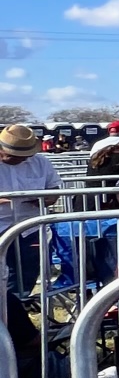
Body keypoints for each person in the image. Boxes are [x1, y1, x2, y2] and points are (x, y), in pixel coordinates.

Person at [0, 123, 58, 302]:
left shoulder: (41, 162)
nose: (21, 159)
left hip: (30, 227)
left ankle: (18, 306)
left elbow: (54, 189)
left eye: (25, 156)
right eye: (13, 156)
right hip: (1, 225)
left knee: (28, 273)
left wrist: (46, 199)